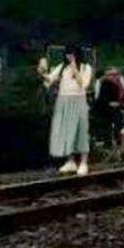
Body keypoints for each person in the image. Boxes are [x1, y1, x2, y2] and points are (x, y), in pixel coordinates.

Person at [43, 45, 93, 175]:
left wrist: (74, 68)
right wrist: (41, 72)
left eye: (71, 54)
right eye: (67, 54)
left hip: (78, 100)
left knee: (81, 130)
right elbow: (49, 79)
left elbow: (84, 84)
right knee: (66, 130)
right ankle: (70, 161)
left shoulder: (85, 68)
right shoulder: (61, 68)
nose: (69, 57)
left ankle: (83, 162)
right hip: (63, 100)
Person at [94, 67, 124, 147]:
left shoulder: (117, 84)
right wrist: (111, 103)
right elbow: (101, 99)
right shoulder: (105, 84)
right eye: (111, 75)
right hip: (104, 109)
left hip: (114, 108)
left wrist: (119, 104)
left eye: (115, 74)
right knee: (108, 125)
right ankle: (109, 142)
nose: (114, 76)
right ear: (106, 76)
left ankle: (117, 137)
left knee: (119, 122)